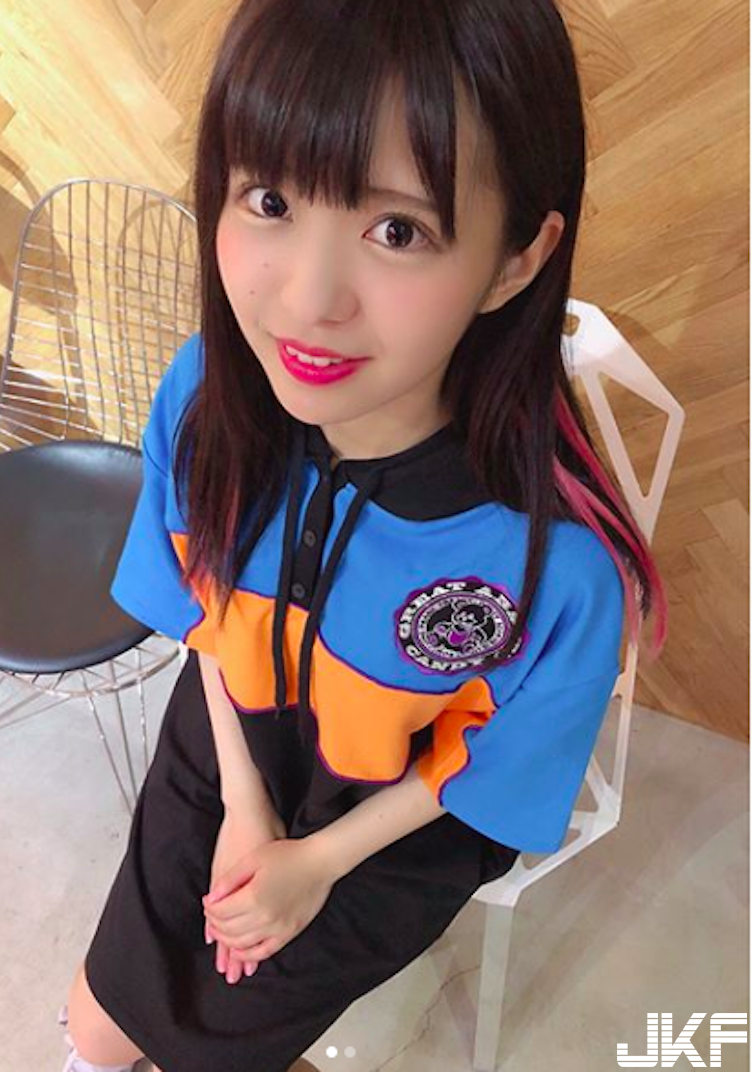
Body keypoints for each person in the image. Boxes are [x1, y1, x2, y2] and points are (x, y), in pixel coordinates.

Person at [59, 1, 669, 1070]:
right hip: (229, 737)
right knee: (98, 1027)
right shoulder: (205, 399)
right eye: (270, 200)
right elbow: (206, 614)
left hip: (395, 825)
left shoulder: (555, 564)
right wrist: (245, 806)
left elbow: (487, 764)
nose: (307, 300)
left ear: (515, 260)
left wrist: (316, 862)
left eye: (397, 231)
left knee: (212, 1043)